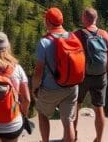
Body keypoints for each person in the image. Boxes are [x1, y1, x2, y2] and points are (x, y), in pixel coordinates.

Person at [32, 7, 81, 142]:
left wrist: (35, 88)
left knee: (42, 114)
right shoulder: (72, 37)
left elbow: (38, 71)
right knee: (68, 121)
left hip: (50, 88)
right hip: (72, 86)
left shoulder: (44, 42)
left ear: (48, 22)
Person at [74, 7, 108, 142]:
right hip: (100, 76)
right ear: (95, 19)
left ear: (84, 18)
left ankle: (73, 135)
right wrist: (104, 71)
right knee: (99, 109)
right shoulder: (105, 35)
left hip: (82, 76)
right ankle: (98, 139)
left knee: (75, 106)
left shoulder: (78, 35)